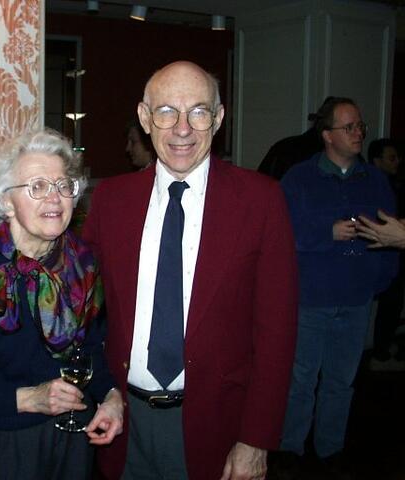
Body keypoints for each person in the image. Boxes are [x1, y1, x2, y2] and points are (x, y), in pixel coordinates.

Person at [83, 61, 299, 480]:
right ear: (145, 117)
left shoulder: (261, 201)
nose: (182, 129)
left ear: (218, 118)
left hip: (217, 427)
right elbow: (80, 306)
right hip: (124, 423)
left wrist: (256, 439)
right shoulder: (111, 200)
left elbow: (278, 332)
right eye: (166, 111)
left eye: (198, 112)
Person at [0, 129, 123, 480]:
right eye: (37, 187)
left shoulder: (82, 263)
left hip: (75, 433)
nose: (55, 198)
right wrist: (28, 399)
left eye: (63, 185)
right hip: (5, 442)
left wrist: (110, 395)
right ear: (7, 202)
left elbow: (91, 350)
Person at [279, 98, 397, 474]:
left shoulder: (376, 181)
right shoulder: (298, 179)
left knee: (341, 382)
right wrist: (325, 232)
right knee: (301, 380)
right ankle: (290, 449)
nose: (358, 132)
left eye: (360, 125)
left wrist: (377, 282)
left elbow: (391, 236)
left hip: (356, 300)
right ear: (327, 135)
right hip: (310, 299)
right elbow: (279, 234)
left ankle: (330, 450)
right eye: (349, 127)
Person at [365, 139, 405, 370]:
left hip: (392, 256)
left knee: (392, 305)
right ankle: (380, 354)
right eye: (392, 158)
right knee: (389, 305)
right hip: (382, 258)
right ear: (377, 161)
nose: (397, 162)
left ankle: (382, 350)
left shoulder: (393, 184)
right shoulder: (373, 186)